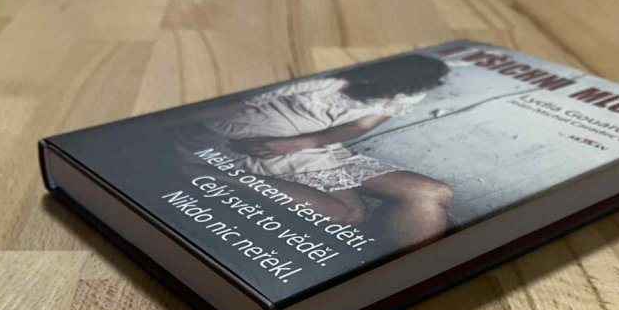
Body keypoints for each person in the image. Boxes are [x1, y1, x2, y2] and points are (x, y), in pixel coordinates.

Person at [176, 54, 454, 250]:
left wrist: (301, 143)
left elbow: (359, 125)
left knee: (435, 192)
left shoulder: (414, 84)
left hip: (307, 146)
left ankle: (410, 281)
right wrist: (165, 131)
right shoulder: (321, 80)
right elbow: (218, 108)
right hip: (244, 145)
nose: (397, 97)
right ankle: (207, 174)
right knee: (350, 213)